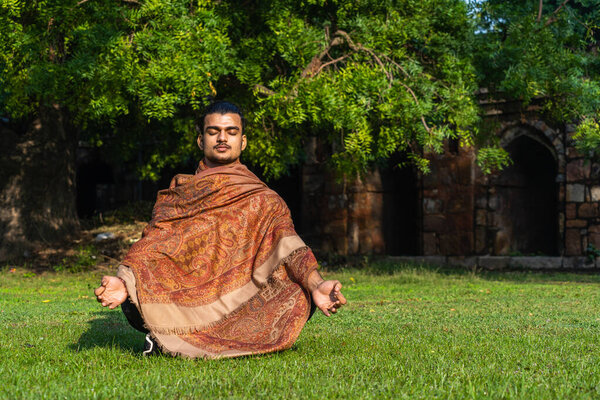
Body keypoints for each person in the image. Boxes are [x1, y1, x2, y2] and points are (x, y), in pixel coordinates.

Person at [94, 101, 346, 358]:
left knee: (297, 288)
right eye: (213, 132)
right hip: (185, 299)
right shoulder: (181, 194)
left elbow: (289, 246)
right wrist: (124, 280)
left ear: (243, 141)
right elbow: (153, 246)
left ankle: (170, 339)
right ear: (201, 141)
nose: (222, 138)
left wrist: (316, 284)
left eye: (231, 132)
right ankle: (173, 332)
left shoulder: (264, 199)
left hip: (243, 304)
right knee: (136, 298)